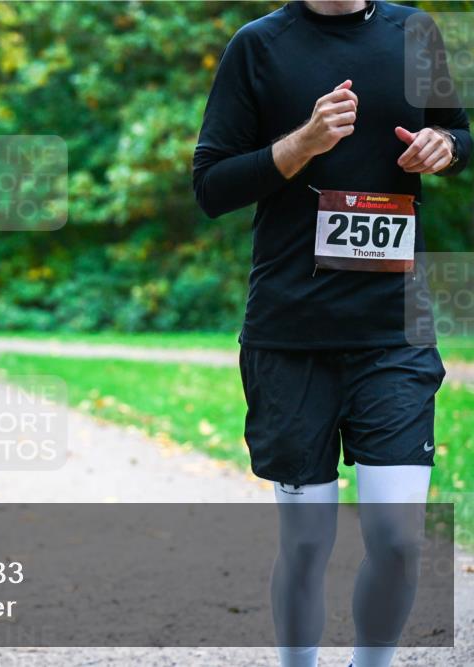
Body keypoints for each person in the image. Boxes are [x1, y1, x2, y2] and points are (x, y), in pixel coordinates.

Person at [193, 2, 470, 667]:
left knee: (399, 538)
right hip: (291, 334)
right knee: (308, 541)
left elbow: (462, 137)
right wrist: (301, 144)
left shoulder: (414, 33)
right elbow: (211, 184)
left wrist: (448, 148)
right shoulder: (259, 46)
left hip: (394, 332)